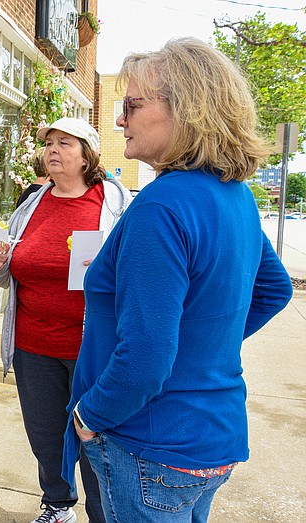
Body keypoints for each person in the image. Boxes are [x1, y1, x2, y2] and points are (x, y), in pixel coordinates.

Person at [63, 38, 293, 523]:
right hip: (211, 436)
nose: (121, 119)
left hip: (151, 441)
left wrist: (89, 415)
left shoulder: (160, 208)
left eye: (132, 105)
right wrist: (197, 346)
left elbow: (147, 357)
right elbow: (275, 290)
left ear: (184, 110)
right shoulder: (236, 196)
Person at [0, 117, 131, 523]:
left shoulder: (116, 206)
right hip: (33, 347)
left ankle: (103, 514)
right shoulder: (31, 203)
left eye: (65, 143)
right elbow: (8, 274)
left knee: (96, 440)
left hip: (93, 348)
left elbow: (136, 274)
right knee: (47, 437)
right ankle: (57, 505)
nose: (52, 150)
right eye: (49, 143)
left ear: (88, 155)